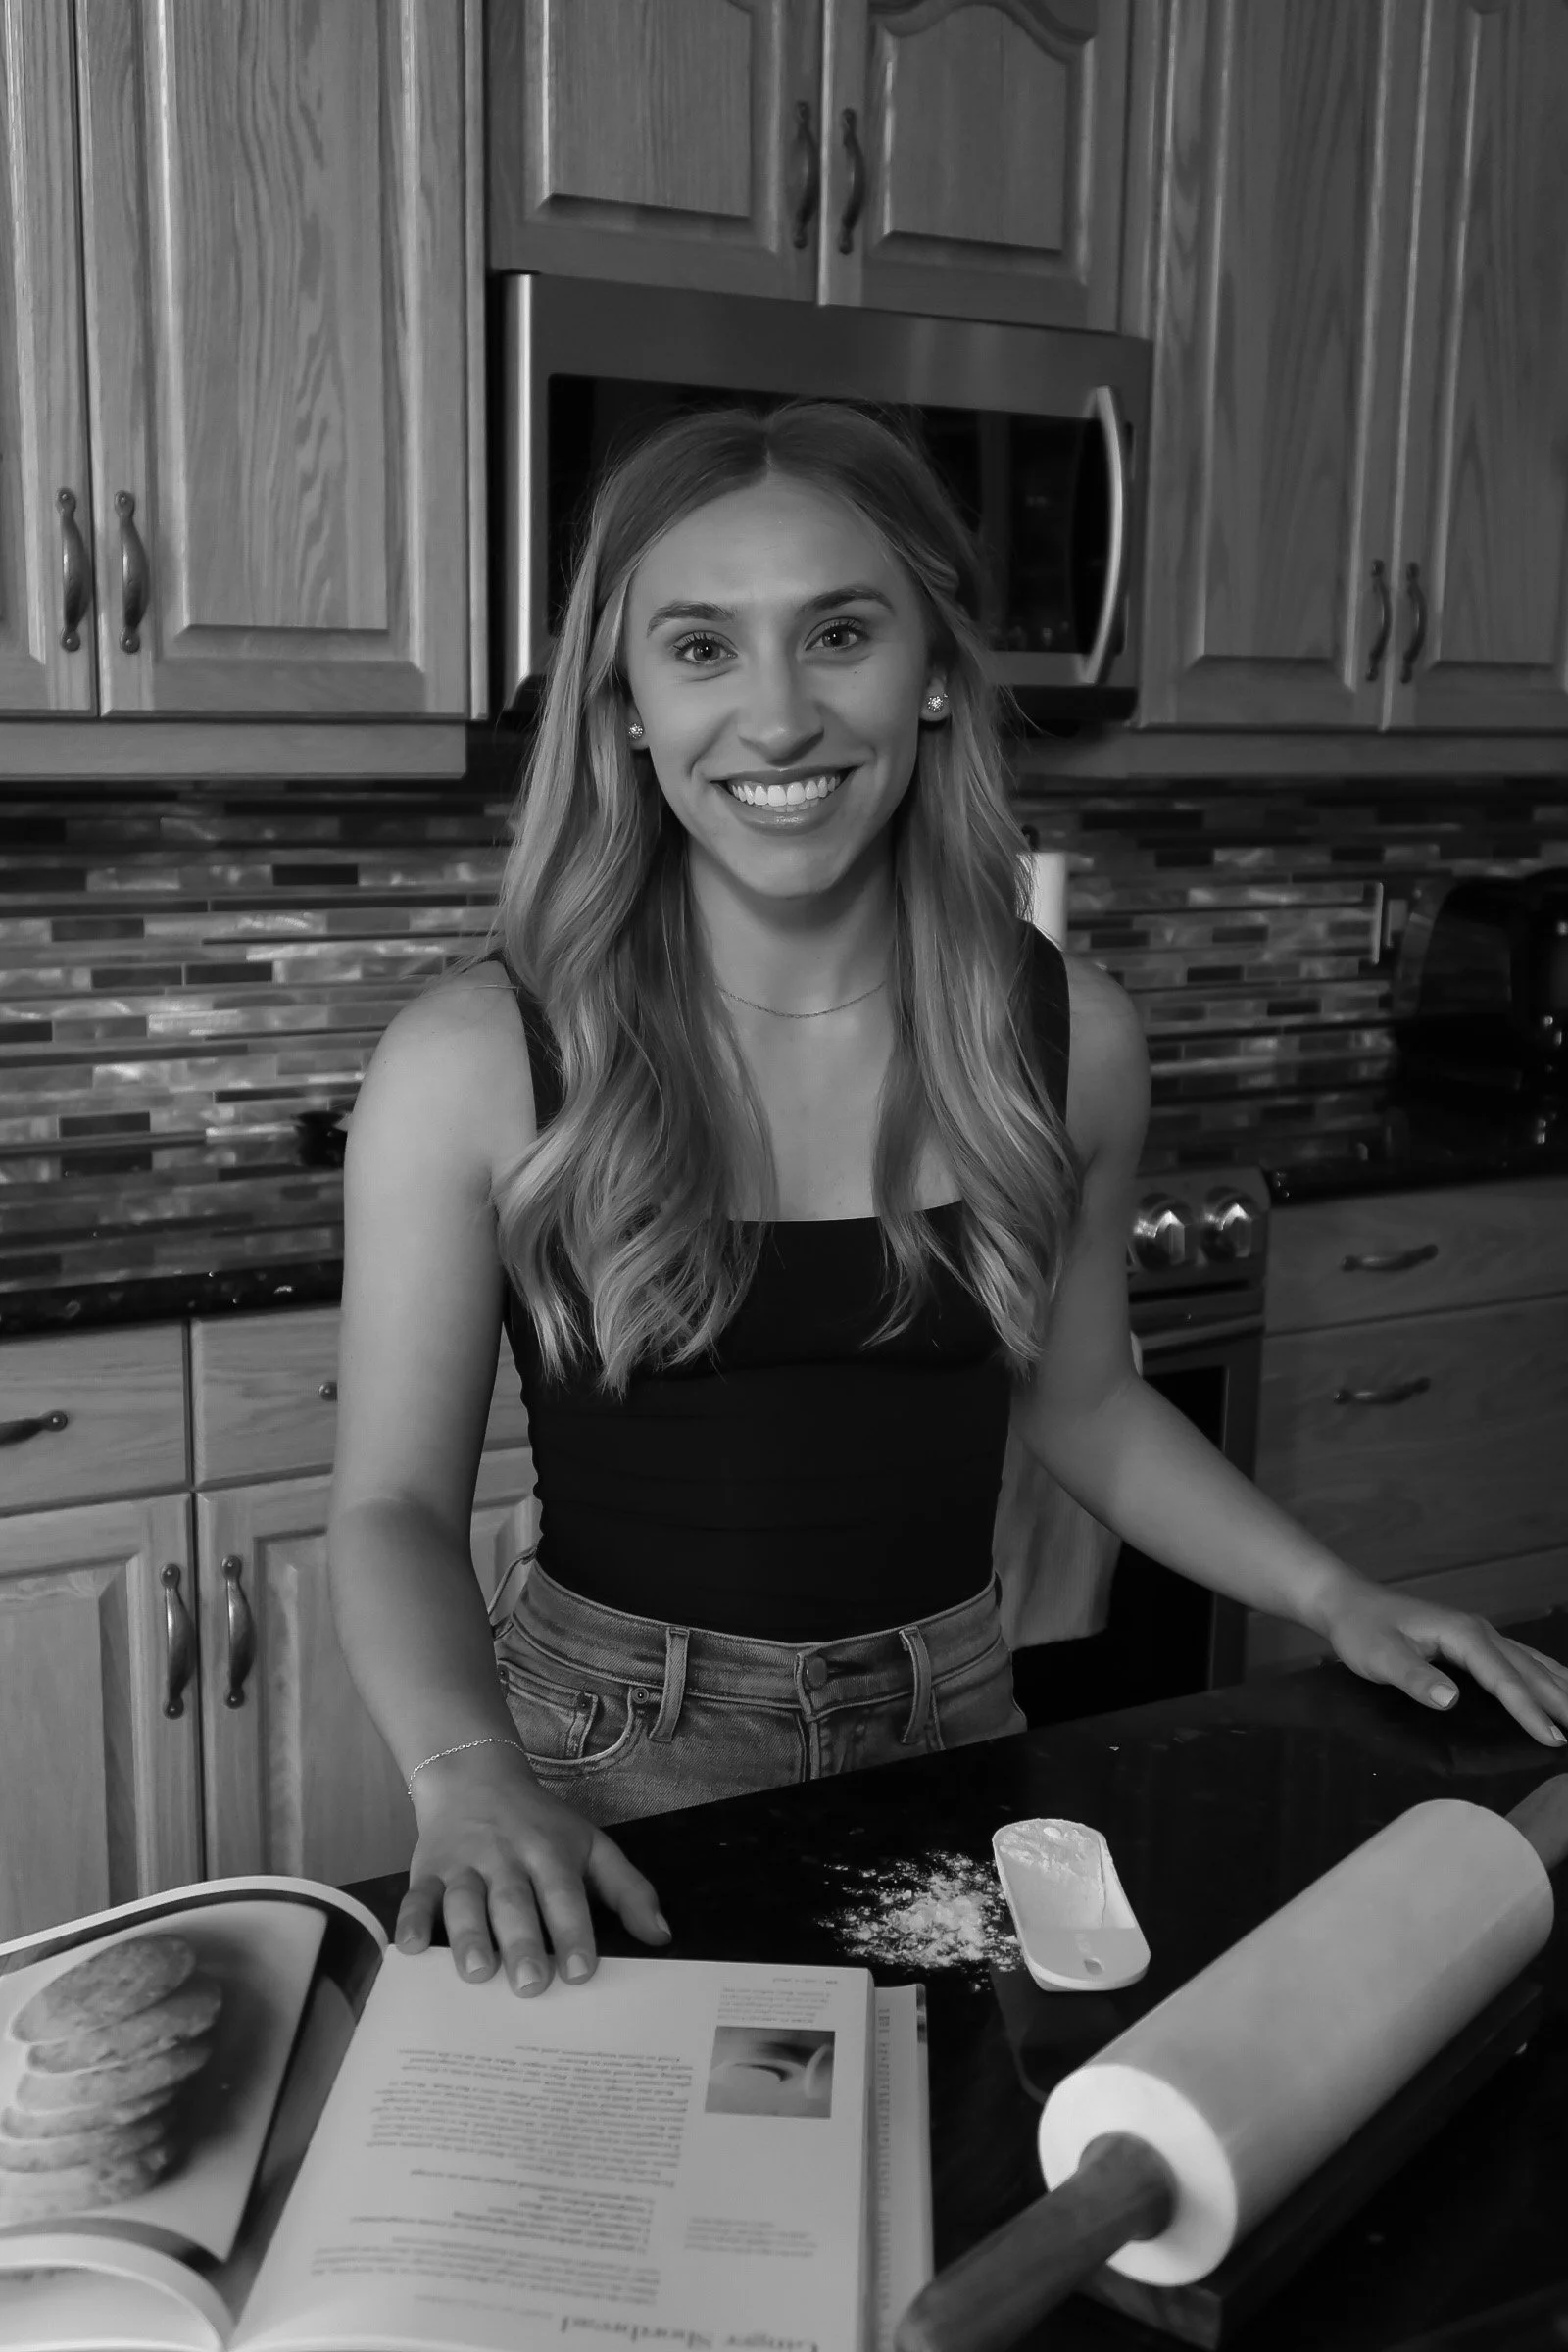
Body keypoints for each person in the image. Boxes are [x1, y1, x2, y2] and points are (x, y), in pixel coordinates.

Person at [327, 402, 1568, 2004]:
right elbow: (392, 1515)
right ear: (625, 705)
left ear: (927, 672)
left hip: (959, 1716)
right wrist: (464, 1778)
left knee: (959, 2169)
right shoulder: (476, 1060)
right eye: (701, 648)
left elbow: (1090, 1403)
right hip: (590, 1762)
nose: (776, 718)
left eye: (838, 633)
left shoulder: (1067, 1038)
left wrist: (1334, 1595)